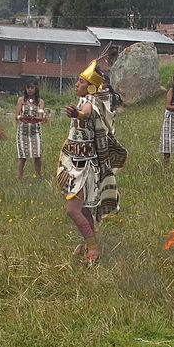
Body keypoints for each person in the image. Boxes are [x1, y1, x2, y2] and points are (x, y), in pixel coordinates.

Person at [56, 61, 126, 262]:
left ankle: (94, 249)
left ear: (92, 87)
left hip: (86, 168)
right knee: (84, 209)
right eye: (78, 80)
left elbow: (85, 114)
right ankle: (91, 246)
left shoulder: (91, 103)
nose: (76, 84)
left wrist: (76, 114)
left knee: (72, 209)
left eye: (81, 81)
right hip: (76, 165)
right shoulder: (84, 99)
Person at [15, 80, 45, 179]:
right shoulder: (21, 100)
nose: (30, 90)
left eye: (32, 87)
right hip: (23, 130)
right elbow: (17, 115)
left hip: (35, 130)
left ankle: (39, 175)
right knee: (22, 156)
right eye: (28, 87)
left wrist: (35, 118)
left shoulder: (40, 102)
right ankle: (19, 178)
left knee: (37, 154)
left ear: (36, 88)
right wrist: (21, 117)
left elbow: (40, 116)